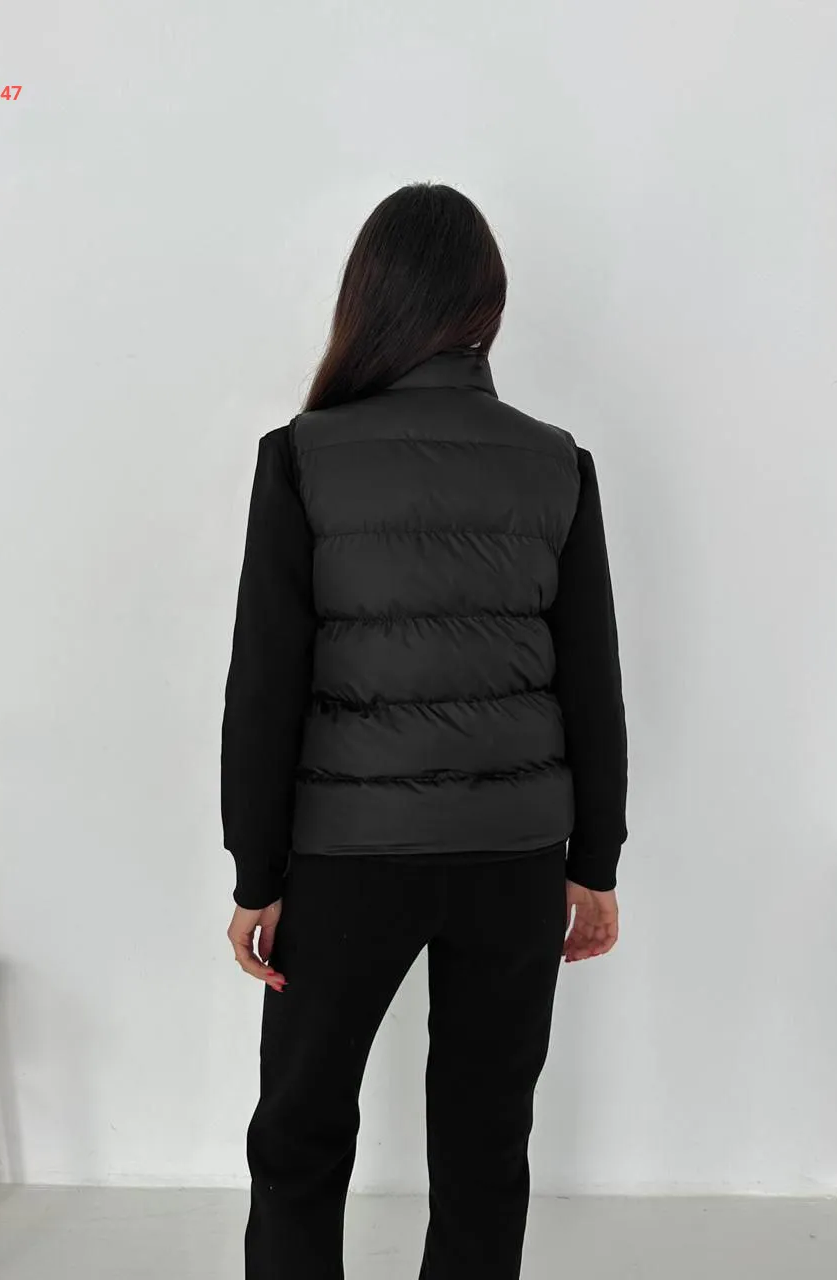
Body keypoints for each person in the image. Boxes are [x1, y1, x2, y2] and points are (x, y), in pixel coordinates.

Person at [220, 182, 628, 1280]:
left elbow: (264, 685)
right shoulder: (556, 460)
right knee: (487, 1147)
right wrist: (594, 861)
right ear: (487, 306)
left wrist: (256, 872)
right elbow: (593, 682)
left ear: (370, 299)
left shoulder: (302, 454)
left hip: (343, 858)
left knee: (300, 1136)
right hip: (513, 856)